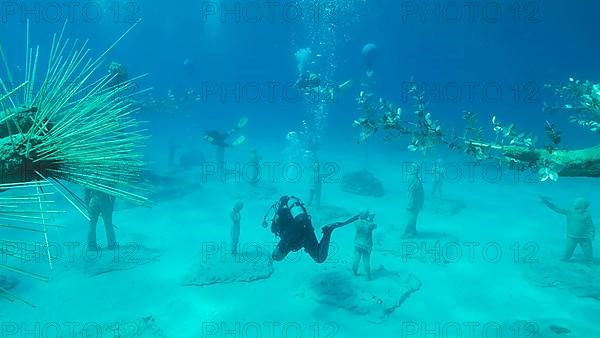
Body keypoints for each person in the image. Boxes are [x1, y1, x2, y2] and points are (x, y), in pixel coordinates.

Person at [262, 196, 359, 263]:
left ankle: (328, 231)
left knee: (276, 257)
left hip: (293, 236)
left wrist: (276, 226)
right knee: (319, 258)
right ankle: (328, 231)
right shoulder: (295, 208)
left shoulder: (281, 211)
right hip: (306, 230)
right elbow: (305, 218)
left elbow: (273, 229)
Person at [541, 196, 595, 262]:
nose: (574, 203)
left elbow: (590, 225)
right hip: (571, 236)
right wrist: (547, 203)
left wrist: (591, 233)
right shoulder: (570, 211)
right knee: (568, 250)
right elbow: (557, 209)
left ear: (581, 205)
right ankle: (565, 259)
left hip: (585, 237)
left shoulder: (586, 215)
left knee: (588, 250)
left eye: (576, 202)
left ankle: (590, 260)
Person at [352, 210, 377, 279]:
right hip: (366, 245)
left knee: (357, 258)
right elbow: (375, 226)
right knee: (366, 260)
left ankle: (354, 271)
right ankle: (368, 276)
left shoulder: (356, 223)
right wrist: (371, 218)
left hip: (357, 243)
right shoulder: (370, 224)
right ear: (367, 215)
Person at [402, 163, 424, 238]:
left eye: (418, 168)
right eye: (416, 168)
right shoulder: (412, 178)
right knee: (412, 218)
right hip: (413, 202)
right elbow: (411, 192)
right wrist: (410, 203)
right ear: (412, 169)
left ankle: (412, 231)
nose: (418, 170)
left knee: (414, 217)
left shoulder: (414, 177)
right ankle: (405, 232)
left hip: (416, 202)